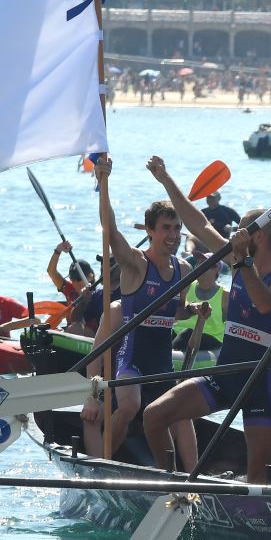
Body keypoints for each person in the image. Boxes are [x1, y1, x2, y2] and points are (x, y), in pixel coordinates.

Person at [139, 156, 271, 480]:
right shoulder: (235, 255)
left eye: (242, 228)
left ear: (258, 237)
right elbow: (198, 224)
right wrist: (165, 179)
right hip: (224, 376)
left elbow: (266, 304)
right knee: (155, 415)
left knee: (258, 474)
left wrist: (241, 262)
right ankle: (171, 484)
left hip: (259, 384)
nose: (235, 233)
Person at [80, 157, 202, 464]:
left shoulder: (184, 269)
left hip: (161, 359)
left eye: (177, 228)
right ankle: (107, 461)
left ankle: (193, 478)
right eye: (166, 228)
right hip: (131, 358)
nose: (173, 235)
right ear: (149, 230)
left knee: (181, 413)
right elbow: (110, 232)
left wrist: (193, 311)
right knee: (131, 405)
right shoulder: (136, 263)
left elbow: (177, 311)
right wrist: (103, 183)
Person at [170, 247, 226, 355]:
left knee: (187, 333)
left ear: (217, 269)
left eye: (204, 263)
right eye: (198, 262)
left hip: (211, 341)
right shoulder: (187, 285)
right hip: (178, 336)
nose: (198, 266)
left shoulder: (225, 295)